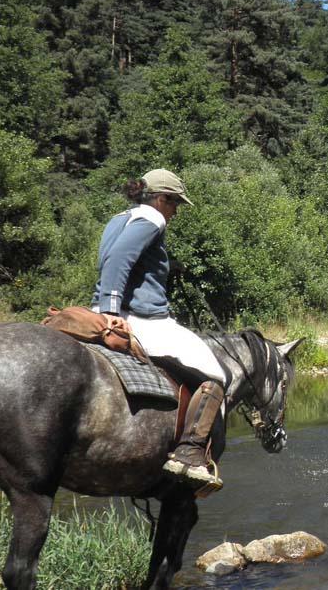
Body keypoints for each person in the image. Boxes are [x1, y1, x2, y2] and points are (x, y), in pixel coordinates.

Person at [91, 168, 225, 490]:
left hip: (99, 308)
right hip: (140, 318)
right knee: (215, 374)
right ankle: (189, 453)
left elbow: (119, 257)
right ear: (161, 198)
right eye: (175, 203)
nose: (175, 211)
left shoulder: (118, 219)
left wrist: (166, 266)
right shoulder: (153, 219)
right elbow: (119, 260)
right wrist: (112, 312)